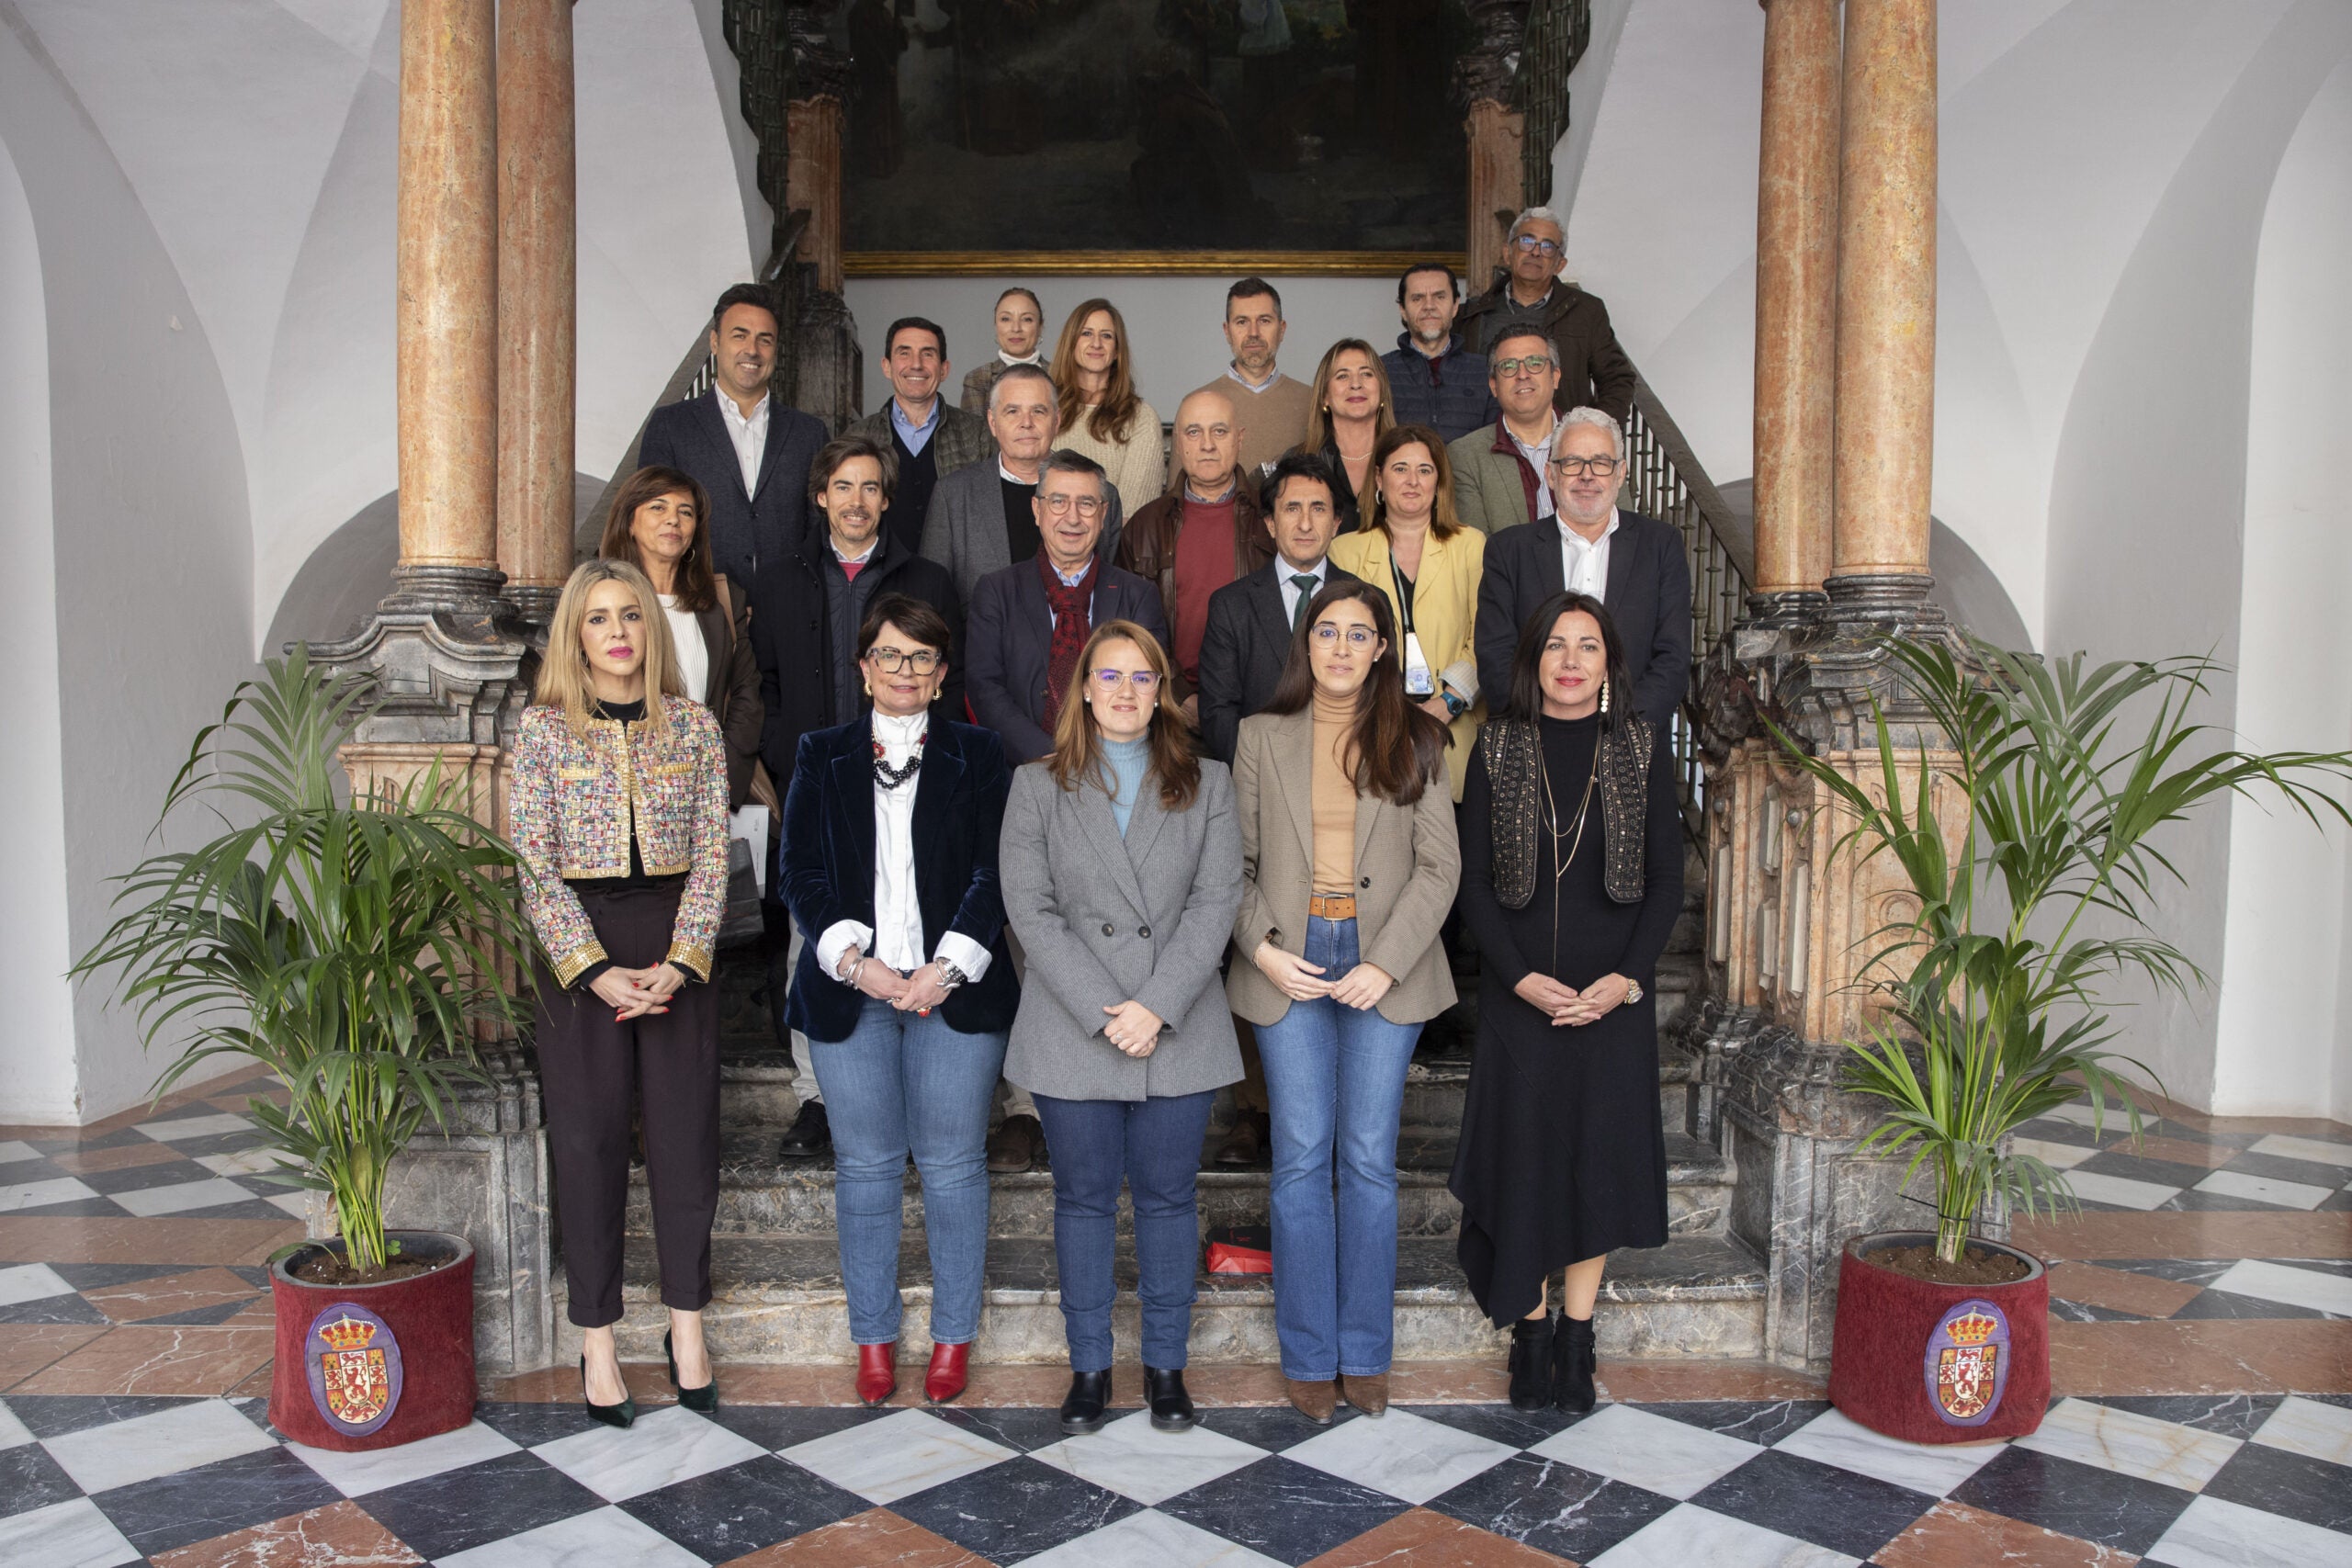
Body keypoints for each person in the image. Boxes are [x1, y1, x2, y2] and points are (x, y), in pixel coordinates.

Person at [999, 621, 1244, 1436]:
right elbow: (1029, 909)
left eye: (1144, 678)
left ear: (1163, 690)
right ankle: (1090, 1367)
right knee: (1084, 1201)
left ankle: (1167, 1368)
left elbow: (1217, 903)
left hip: (1178, 1021)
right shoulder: (1037, 785)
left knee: (1171, 1202)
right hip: (1075, 1026)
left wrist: (1156, 1006)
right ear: (1085, 689)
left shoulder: (1208, 781)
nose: (1127, 692)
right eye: (1111, 677)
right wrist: (1107, 1011)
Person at [779, 594, 1019, 1408]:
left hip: (954, 986)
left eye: (921, 657)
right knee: (868, 1166)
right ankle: (874, 1339)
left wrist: (943, 969)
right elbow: (800, 874)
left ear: (943, 673)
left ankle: (953, 1338)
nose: (905, 670)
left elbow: (997, 874)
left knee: (953, 1164)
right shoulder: (821, 752)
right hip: (854, 990)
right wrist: (857, 963)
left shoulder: (982, 756)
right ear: (864, 667)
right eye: (890, 655)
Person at [1228, 581, 1459, 1425]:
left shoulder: (1419, 739)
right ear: (1307, 640)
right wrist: (1263, 951)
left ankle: (1363, 1353)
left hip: (1380, 967)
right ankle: (1307, 1354)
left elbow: (1441, 869)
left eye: (1359, 634)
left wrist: (1386, 964)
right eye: (1327, 630)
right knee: (1298, 1159)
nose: (1340, 647)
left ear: (1382, 651)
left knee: (1365, 1160)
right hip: (1287, 962)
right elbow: (1234, 868)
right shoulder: (1260, 736)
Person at [508, 559, 730, 1427]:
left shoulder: (696, 728)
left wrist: (681, 959)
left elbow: (714, 852)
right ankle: (597, 1338)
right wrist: (593, 969)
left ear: (651, 628)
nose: (617, 632)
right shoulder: (542, 732)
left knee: (685, 1145)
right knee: (590, 1145)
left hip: (677, 944)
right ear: (577, 633)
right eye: (598, 618)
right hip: (582, 956)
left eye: (630, 615)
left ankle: (687, 1328)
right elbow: (532, 861)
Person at [1449, 592, 1682, 1415]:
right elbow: (1472, 881)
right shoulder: (1498, 745)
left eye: (1588, 646)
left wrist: (1626, 980)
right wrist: (1516, 978)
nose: (1572, 660)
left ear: (1609, 663)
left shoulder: (1641, 748)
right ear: (1534, 659)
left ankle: (1579, 1339)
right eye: (1556, 645)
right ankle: (1532, 1330)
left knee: (1598, 1169)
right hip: (1523, 996)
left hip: (1609, 999)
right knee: (1525, 1164)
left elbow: (1665, 881)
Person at [751, 434, 967, 1161]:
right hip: (818, 781)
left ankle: (910, 1094)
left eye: (871, 487)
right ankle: (817, 1098)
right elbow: (766, 684)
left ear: (886, 497)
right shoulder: (779, 579)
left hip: (909, 774)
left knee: (917, 920)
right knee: (812, 935)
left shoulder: (926, 576)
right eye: (843, 486)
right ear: (821, 495)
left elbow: (949, 677)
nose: (857, 500)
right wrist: (786, 756)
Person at [1196, 451, 1360, 1168]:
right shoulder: (1234, 604)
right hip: (1255, 800)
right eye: (1291, 507)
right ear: (1268, 521)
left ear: (1337, 519)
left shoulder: (1359, 597)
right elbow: (1221, 708)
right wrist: (1258, 785)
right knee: (1259, 954)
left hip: (1346, 805)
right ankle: (1256, 1110)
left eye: (1318, 507)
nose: (1304, 520)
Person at [1475, 408, 1691, 735]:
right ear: (1551, 474)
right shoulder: (1509, 550)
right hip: (1535, 746)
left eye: (1601, 463)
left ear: (1620, 474)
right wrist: (1548, 730)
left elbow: (1672, 657)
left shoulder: (1661, 545)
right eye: (1573, 462)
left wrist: (1624, 731)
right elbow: (1496, 656)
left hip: (1634, 747)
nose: (1587, 475)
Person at [967, 450, 1167, 766]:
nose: (1072, 517)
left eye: (1086, 504)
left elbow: (1148, 685)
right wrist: (1046, 755)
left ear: (1103, 514)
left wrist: (1098, 760)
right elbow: (983, 686)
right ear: (1037, 509)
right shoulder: (996, 591)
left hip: (1114, 769)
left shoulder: (1138, 596)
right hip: (1023, 770)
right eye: (1058, 502)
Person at [1329, 426, 1486, 801]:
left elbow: (1487, 638)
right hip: (1370, 728)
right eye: (1400, 469)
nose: (1412, 481)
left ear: (1439, 481)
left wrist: (1449, 701)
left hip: (1454, 727)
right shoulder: (1344, 552)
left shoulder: (1470, 545)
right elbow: (1338, 646)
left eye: (1425, 470)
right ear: (1379, 478)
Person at [596, 467, 763, 812]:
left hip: (708, 790)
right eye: (658, 507)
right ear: (629, 521)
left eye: (685, 512)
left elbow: (747, 694)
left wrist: (719, 783)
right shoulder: (598, 598)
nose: (673, 520)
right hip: (625, 797)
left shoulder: (722, 599)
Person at [639, 283, 829, 586]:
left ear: (775, 349)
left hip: (787, 606)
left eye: (764, 340)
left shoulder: (809, 433)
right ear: (715, 342)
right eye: (739, 335)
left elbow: (820, 526)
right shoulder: (671, 426)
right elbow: (651, 523)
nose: (752, 350)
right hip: (698, 602)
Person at [1116, 387, 1272, 715]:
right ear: (1178, 443)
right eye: (1193, 432)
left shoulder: (1272, 519)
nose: (1207, 444)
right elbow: (1127, 627)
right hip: (1169, 710)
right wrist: (1179, 696)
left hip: (1256, 707)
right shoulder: (1144, 527)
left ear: (1239, 438)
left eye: (1220, 431)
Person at [921, 365, 1125, 608]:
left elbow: (1113, 595)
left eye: (1038, 411)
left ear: (1057, 420)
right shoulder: (952, 496)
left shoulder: (1101, 495)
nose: (1026, 423)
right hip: (979, 644)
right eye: (1012, 411)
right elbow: (931, 600)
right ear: (993, 422)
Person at [1455, 206, 1635, 423]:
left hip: (1560, 446)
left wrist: (1594, 429)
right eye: (1527, 241)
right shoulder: (1473, 314)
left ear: (1560, 264)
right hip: (1486, 444)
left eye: (1548, 246)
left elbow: (1616, 378)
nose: (1536, 252)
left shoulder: (1586, 312)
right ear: (1507, 253)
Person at [847, 318, 995, 558]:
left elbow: (992, 518)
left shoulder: (978, 434)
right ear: (886, 366)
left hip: (954, 584)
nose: (916, 364)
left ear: (944, 368)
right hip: (879, 583)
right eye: (904, 353)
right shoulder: (857, 437)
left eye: (927, 354)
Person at [1049, 299, 1166, 519]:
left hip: (1114, 549)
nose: (1096, 343)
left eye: (1106, 335)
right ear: (1070, 343)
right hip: (1046, 548)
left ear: (1117, 352)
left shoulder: (1141, 417)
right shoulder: (1046, 411)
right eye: (1086, 333)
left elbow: (1132, 514)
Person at [1186, 279, 1312, 476]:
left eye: (1264, 321)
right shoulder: (1194, 405)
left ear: (1282, 329)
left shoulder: (1312, 401)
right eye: (1242, 322)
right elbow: (1176, 498)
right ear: (1227, 332)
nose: (1253, 333)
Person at [1448, 326, 1563, 536]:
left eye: (1535, 363)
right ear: (1493, 386)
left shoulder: (1595, 442)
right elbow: (1478, 549)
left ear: (1554, 377)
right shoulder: (1465, 456)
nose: (1522, 375)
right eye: (1508, 366)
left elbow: (1622, 530)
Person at [1382, 262, 1498, 444]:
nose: (1429, 306)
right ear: (1403, 310)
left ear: (1455, 306)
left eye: (1439, 297)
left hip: (1467, 473)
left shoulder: (1486, 370)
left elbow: (1495, 444)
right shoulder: (1379, 371)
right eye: (1417, 298)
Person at [1287, 339, 1393, 525]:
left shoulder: (1406, 459)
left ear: (1382, 390)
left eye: (1367, 374)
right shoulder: (1298, 462)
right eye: (1343, 376)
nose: (1356, 384)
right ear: (1325, 396)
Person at [961, 287, 1046, 414]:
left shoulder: (1062, 376)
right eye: (1006, 319)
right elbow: (975, 433)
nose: (1016, 328)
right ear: (996, 326)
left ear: (1040, 327)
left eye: (1027, 319)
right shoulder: (978, 379)